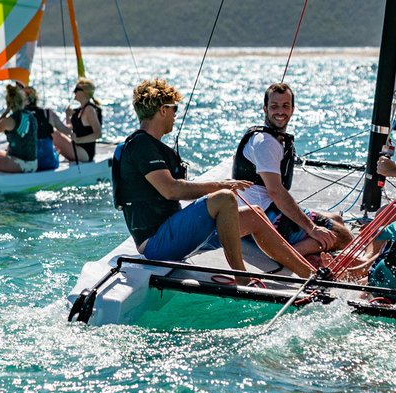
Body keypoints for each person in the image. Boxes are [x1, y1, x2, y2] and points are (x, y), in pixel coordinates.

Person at [111, 78, 313, 281]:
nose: (175, 115)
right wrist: (220, 186)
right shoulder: (141, 145)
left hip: (174, 234)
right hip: (156, 244)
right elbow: (171, 190)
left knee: (255, 215)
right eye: (174, 109)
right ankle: (241, 276)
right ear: (163, 110)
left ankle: (311, 276)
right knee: (224, 198)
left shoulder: (152, 146)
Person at [232, 82, 352, 261]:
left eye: (285, 106)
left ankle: (311, 251)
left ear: (293, 109)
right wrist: (312, 228)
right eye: (274, 106)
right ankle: (284, 254)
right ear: (265, 109)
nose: (280, 111)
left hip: (255, 213)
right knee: (343, 237)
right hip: (262, 220)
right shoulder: (266, 142)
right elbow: (276, 191)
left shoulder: (270, 138)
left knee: (336, 219)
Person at [26, 86, 73, 171]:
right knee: (54, 149)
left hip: (28, 164)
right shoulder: (48, 113)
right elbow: (67, 131)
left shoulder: (18, 116)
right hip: (48, 163)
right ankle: (55, 153)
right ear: (37, 98)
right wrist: (68, 116)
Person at [61, 77, 102, 162]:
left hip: (86, 152)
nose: (74, 92)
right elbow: (71, 129)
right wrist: (68, 116)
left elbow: (98, 134)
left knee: (55, 134)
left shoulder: (89, 110)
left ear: (84, 92)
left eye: (76, 89)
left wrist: (78, 140)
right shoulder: (79, 110)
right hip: (78, 148)